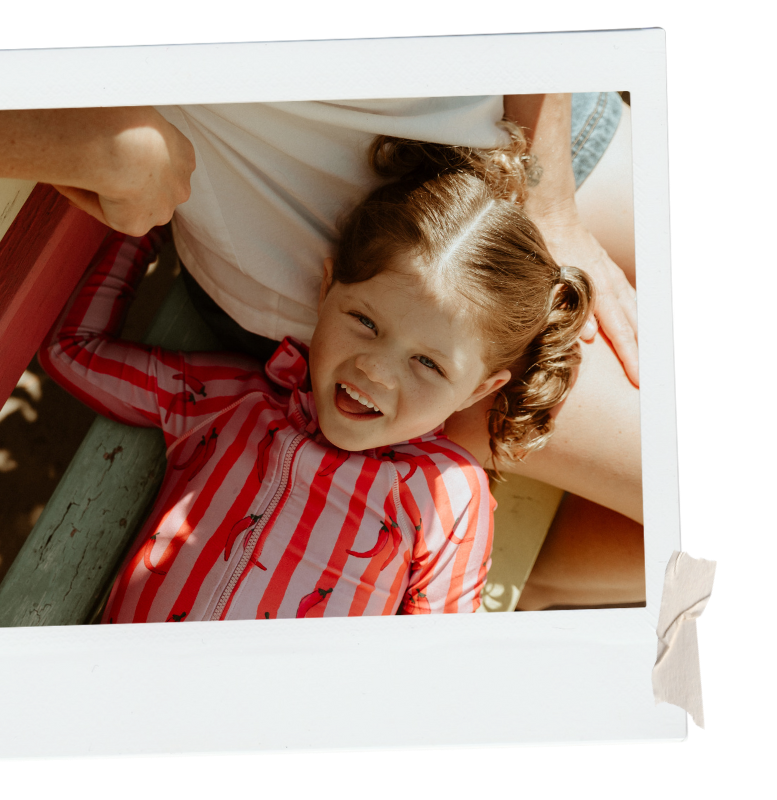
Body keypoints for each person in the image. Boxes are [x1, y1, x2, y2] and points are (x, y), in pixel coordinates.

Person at [0, 91, 643, 608]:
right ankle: (539, 585)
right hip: (373, 293)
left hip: (519, 151)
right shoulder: (384, 382)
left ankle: (534, 588)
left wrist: (553, 193)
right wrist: (93, 148)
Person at [38, 128, 593, 621]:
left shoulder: (447, 494)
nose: (373, 368)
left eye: (427, 362)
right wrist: (151, 222)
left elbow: (432, 672)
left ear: (479, 390)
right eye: (364, 320)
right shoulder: (225, 401)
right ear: (326, 290)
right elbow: (73, 353)